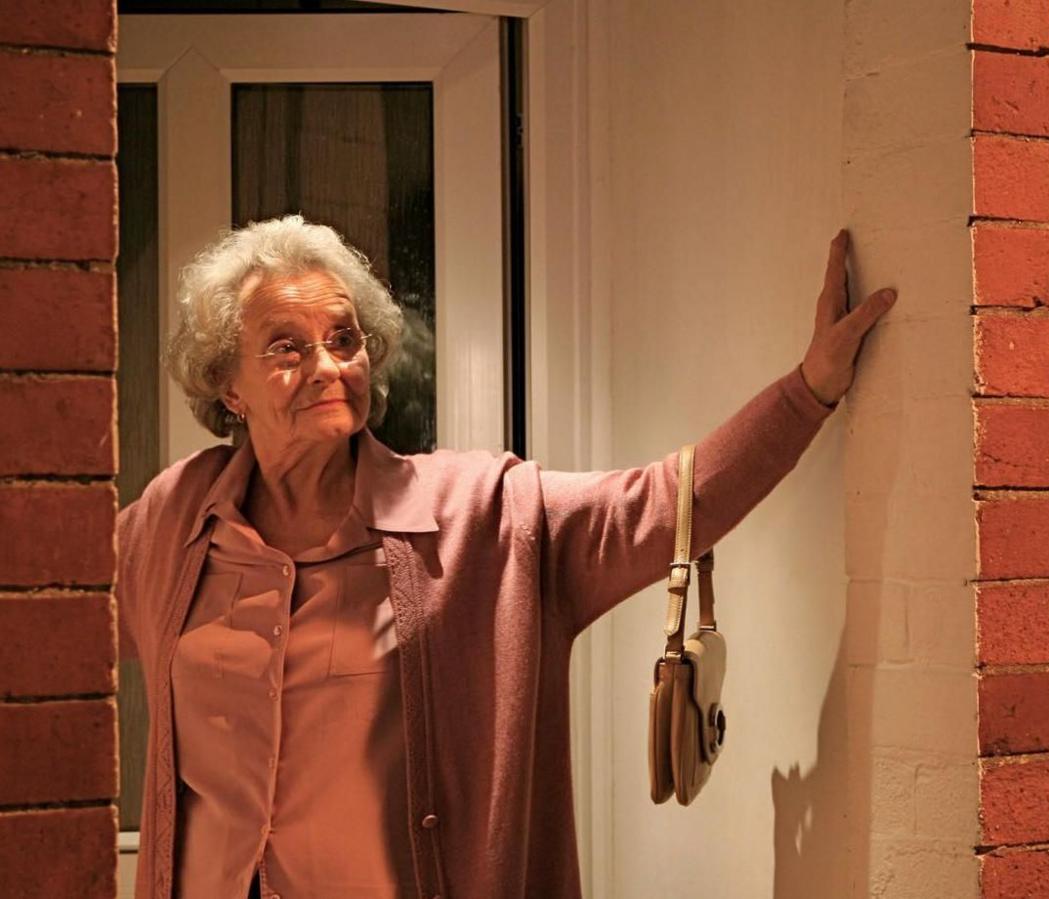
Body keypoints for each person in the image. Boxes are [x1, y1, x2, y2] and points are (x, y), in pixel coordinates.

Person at [115, 214, 896, 899]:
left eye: (344, 339)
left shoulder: (483, 517)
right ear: (228, 385)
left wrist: (809, 390)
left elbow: (663, 505)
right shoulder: (173, 522)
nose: (327, 365)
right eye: (286, 347)